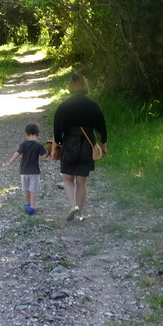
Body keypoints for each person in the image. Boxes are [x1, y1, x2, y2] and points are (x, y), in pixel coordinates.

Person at [52, 71, 108, 221]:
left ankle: (73, 205)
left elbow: (57, 132)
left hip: (70, 142)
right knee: (81, 181)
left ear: (70, 86)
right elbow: (101, 128)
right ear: (85, 85)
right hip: (87, 143)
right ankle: (80, 213)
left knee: (67, 179)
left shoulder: (64, 107)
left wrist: (56, 146)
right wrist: (103, 145)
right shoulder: (93, 106)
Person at [3, 123, 49, 214]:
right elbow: (44, 156)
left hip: (24, 171)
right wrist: (51, 151)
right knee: (34, 190)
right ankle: (32, 206)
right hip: (34, 172)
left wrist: (9, 162)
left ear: (26, 134)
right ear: (38, 134)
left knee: (26, 188)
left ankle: (27, 204)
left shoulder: (24, 144)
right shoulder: (39, 145)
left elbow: (17, 153)